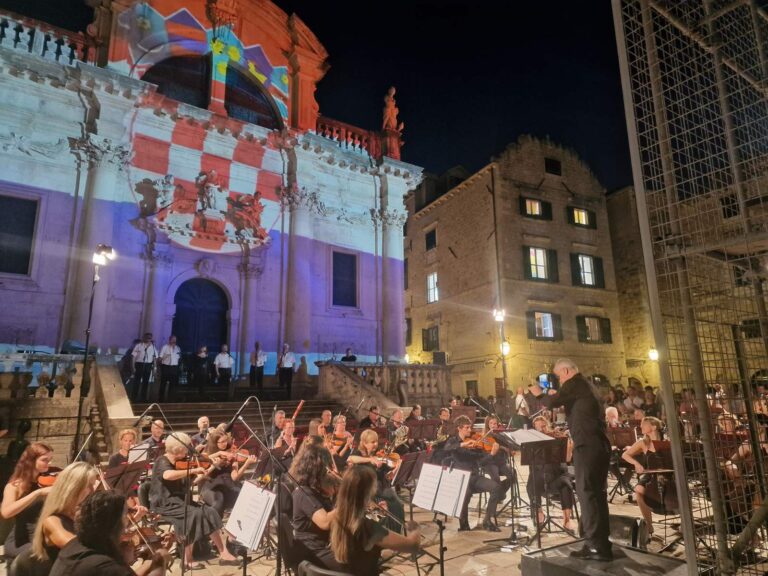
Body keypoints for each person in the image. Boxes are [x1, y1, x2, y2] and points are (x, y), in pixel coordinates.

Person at [529, 358, 612, 561]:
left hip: (587, 445)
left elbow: (552, 403)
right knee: (597, 494)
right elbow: (561, 399)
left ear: (565, 371)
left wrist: (538, 392)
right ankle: (600, 543)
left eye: (558, 376)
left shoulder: (574, 383)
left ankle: (595, 546)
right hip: (598, 445)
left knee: (588, 493)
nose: (559, 381)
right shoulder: (585, 385)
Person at [148, 431, 239, 569]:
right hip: (164, 502)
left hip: (179, 500)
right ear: (178, 450)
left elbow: (192, 482)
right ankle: (187, 560)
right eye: (185, 449)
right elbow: (167, 475)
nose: (187, 452)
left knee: (209, 511)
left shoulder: (181, 463)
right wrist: (192, 470)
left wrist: (209, 468)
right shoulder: (162, 461)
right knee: (193, 514)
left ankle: (223, 552)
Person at [49, 491, 169, 576]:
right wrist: (160, 561)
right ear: (114, 525)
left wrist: (152, 560)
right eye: (124, 516)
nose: (128, 520)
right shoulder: (103, 566)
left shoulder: (75, 545)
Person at [330, 465, 420, 574]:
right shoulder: (369, 527)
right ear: (368, 490)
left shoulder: (338, 515)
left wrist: (379, 514)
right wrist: (415, 529)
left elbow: (364, 541)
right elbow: (412, 546)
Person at [14, 462, 99, 576]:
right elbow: (74, 547)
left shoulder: (80, 515)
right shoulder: (52, 521)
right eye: (89, 485)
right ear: (74, 487)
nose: (93, 491)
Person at [442, 416, 507, 532]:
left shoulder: (475, 443)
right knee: (465, 494)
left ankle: (487, 520)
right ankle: (464, 525)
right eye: (467, 428)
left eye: (470, 427)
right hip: (461, 479)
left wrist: (491, 454)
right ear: (459, 428)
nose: (469, 430)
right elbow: (446, 449)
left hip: (474, 477)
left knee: (496, 487)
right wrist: (462, 445)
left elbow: (481, 462)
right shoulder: (453, 441)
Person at [289, 442, 343, 570]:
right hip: (314, 554)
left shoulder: (315, 487)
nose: (331, 469)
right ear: (318, 468)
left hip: (324, 546)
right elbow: (325, 522)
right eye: (328, 466)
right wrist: (349, 502)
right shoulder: (303, 493)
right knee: (361, 563)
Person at [1, 442, 54, 559]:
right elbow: (6, 512)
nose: (50, 463)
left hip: (45, 538)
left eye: (51, 459)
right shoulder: (14, 486)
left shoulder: (47, 482)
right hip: (21, 542)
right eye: (45, 460)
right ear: (31, 461)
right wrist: (37, 493)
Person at [347, 429, 405, 533]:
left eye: (376, 441)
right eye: (372, 442)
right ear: (364, 443)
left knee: (398, 505)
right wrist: (370, 459)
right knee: (389, 504)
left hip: (380, 487)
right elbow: (350, 458)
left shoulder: (378, 454)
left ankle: (396, 531)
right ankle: (386, 532)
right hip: (368, 489)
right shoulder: (358, 453)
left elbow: (386, 475)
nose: (376, 444)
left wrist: (395, 469)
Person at [527, 416, 577, 533]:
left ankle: (567, 520)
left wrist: (569, 446)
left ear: (548, 425)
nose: (542, 430)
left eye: (544, 426)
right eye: (538, 428)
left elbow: (568, 458)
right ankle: (539, 514)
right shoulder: (532, 442)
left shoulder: (557, 437)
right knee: (532, 482)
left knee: (565, 484)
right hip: (541, 477)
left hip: (558, 475)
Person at [621, 416, 666, 543]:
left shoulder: (666, 440)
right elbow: (625, 454)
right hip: (650, 474)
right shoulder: (643, 442)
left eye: (643, 424)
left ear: (653, 427)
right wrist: (637, 464)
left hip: (668, 473)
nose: (641, 427)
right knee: (639, 490)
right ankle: (649, 527)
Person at [199, 430, 257, 517]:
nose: (225, 444)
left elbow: (235, 477)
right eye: (222, 442)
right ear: (215, 443)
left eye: (226, 441)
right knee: (219, 499)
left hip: (228, 485)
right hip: (211, 486)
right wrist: (219, 453)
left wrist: (247, 463)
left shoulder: (231, 454)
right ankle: (215, 526)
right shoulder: (208, 453)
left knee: (244, 496)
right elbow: (202, 460)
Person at [131, 333, 158, 402]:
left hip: (148, 365)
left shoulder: (153, 347)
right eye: (147, 337)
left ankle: (143, 398)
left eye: (150, 338)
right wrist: (133, 366)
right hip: (139, 364)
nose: (148, 339)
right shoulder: (139, 346)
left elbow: (154, 358)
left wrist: (155, 368)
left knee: (145, 383)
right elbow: (133, 357)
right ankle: (134, 398)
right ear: (144, 338)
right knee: (137, 382)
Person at [158, 335, 181, 402]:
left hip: (174, 367)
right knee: (163, 383)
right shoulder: (165, 347)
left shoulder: (178, 348)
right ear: (170, 340)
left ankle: (170, 399)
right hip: (166, 367)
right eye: (173, 339)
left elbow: (179, 358)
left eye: (175, 340)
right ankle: (161, 399)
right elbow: (160, 358)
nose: (174, 341)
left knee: (172, 384)